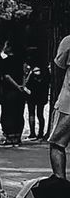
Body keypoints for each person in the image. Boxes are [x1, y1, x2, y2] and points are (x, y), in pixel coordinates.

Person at [0, 44, 30, 146]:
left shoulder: (6, 61)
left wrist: (16, 86)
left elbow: (7, 76)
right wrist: (22, 86)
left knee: (8, 114)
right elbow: (25, 74)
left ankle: (9, 138)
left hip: (9, 91)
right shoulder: (21, 61)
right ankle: (17, 136)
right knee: (18, 113)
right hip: (20, 93)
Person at [49, 33, 70, 178]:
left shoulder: (68, 40)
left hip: (67, 104)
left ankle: (60, 182)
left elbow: (59, 64)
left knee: (57, 143)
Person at [28, 59, 50, 141]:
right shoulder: (46, 73)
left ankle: (32, 133)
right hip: (42, 95)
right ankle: (40, 133)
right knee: (40, 114)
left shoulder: (32, 73)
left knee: (31, 113)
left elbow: (28, 83)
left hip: (32, 95)